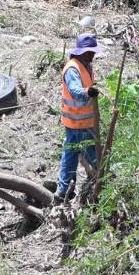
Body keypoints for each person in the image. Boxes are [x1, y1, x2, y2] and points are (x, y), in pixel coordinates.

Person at [55, 32, 102, 201]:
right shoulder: (72, 69)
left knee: (71, 153)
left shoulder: (85, 65)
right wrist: (87, 92)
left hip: (80, 121)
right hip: (78, 122)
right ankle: (100, 182)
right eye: (91, 52)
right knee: (92, 154)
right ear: (83, 52)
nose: (93, 55)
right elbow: (75, 90)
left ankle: (63, 190)